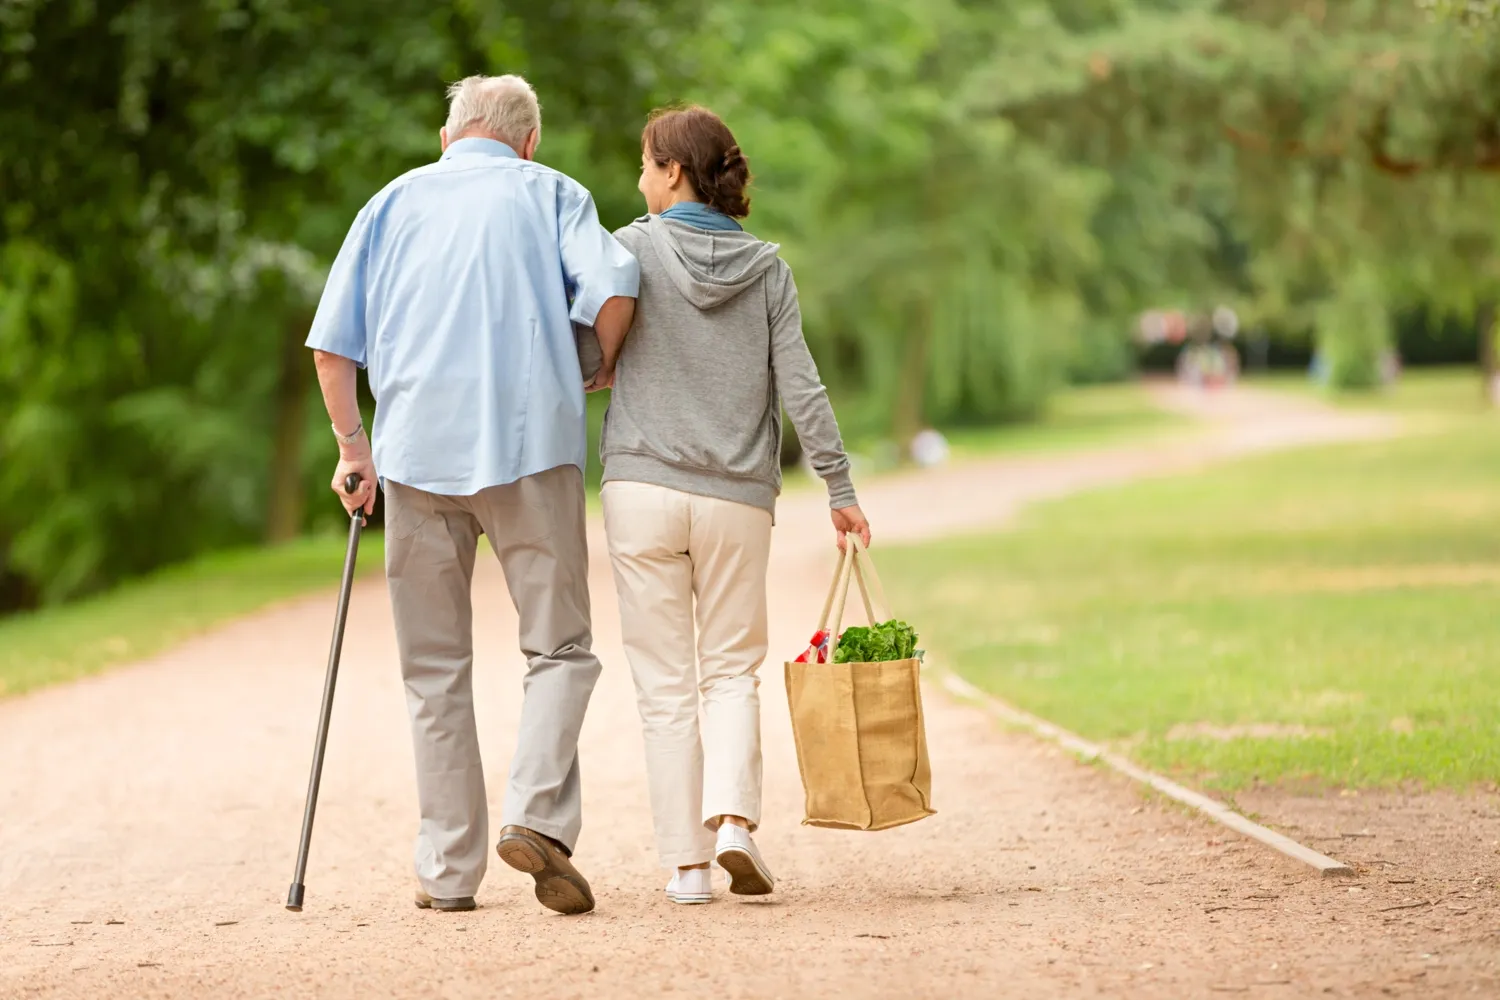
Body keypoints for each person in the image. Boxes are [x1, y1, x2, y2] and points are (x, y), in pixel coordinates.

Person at [305, 75, 638, 915]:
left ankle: (448, 873)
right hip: (531, 451)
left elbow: (332, 352)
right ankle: (534, 816)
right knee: (560, 650)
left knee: (433, 670)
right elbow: (616, 290)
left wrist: (355, 449)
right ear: (527, 141)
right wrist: (593, 367)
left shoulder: (390, 203)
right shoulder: (554, 194)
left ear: (449, 134)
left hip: (416, 459)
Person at [597, 106, 871, 904]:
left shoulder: (629, 249)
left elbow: (589, 353)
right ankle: (735, 825)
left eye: (647, 165)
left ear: (675, 172)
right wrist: (840, 488)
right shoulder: (768, 270)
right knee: (728, 672)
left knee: (663, 683)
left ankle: (685, 867)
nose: (640, 180)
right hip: (736, 501)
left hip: (642, 488)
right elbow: (803, 390)